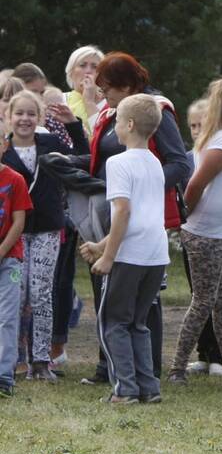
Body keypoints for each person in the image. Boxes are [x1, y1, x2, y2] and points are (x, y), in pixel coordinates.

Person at [74, 52, 191, 385]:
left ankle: (141, 375)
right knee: (110, 298)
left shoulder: (153, 111)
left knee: (138, 306)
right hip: (112, 212)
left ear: (126, 86)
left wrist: (142, 191)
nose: (103, 95)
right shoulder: (116, 113)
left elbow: (179, 163)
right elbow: (103, 158)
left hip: (137, 220)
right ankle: (110, 367)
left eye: (108, 88)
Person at [79, 95, 170, 405]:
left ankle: (125, 389)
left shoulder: (117, 163)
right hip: (155, 254)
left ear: (129, 125)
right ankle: (148, 387)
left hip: (130, 256)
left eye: (116, 121)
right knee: (138, 323)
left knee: (113, 321)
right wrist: (101, 244)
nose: (113, 127)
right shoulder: (156, 163)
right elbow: (142, 217)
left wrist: (107, 256)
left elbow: (123, 213)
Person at [2, 90, 87, 381]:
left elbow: (82, 154)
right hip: (15, 232)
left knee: (40, 294)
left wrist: (73, 124)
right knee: (16, 295)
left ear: (39, 118)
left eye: (30, 114)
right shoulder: (4, 150)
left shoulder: (50, 143)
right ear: (8, 117)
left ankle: (41, 360)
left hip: (48, 228)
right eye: (19, 113)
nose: (24, 119)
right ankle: (12, 359)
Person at [167, 80, 222, 386]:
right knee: (203, 301)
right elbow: (197, 184)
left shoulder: (220, 139)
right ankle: (177, 367)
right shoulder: (221, 142)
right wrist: (183, 216)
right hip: (207, 234)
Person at [0, 124, 33, 397]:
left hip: (9, 259)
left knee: (7, 318)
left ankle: (4, 377)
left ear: (4, 145)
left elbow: (18, 222)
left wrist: (1, 251)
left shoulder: (15, 180)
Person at [63, 45, 104, 133]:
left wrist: (89, 101)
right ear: (71, 72)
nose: (88, 71)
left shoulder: (110, 105)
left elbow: (103, 136)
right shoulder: (60, 100)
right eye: (82, 65)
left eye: (95, 67)